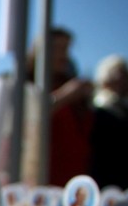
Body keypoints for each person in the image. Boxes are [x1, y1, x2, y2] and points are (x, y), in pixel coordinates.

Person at [27, 27, 95, 186]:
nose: (63, 55)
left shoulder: (69, 83)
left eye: (66, 49)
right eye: (58, 48)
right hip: (42, 178)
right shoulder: (29, 84)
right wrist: (65, 96)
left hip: (73, 177)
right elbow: (30, 115)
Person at [89, 55, 128, 190]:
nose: (123, 80)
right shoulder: (99, 109)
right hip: (108, 182)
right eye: (118, 74)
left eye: (126, 74)